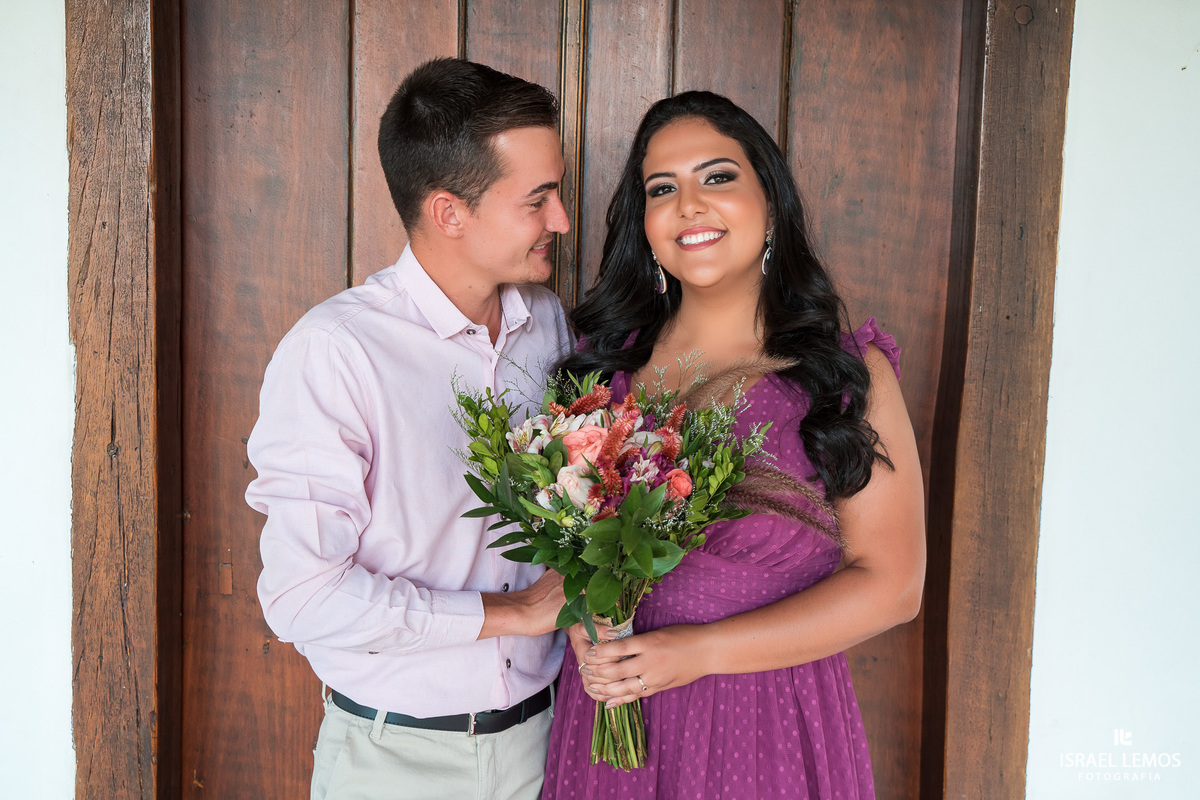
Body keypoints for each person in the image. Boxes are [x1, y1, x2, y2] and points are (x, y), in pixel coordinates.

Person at [542, 91, 926, 799]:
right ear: (646, 227)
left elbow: (893, 586)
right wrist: (583, 617)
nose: (690, 203)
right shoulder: (599, 378)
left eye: (717, 177)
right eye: (663, 188)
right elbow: (571, 551)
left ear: (772, 205)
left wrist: (701, 653)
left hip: (768, 722)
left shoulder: (843, 375)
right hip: (615, 720)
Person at [245, 58, 573, 800]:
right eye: (538, 199)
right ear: (449, 212)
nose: (560, 221)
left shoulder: (549, 325)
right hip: (396, 764)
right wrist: (510, 614)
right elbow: (301, 596)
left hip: (550, 744)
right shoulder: (337, 352)